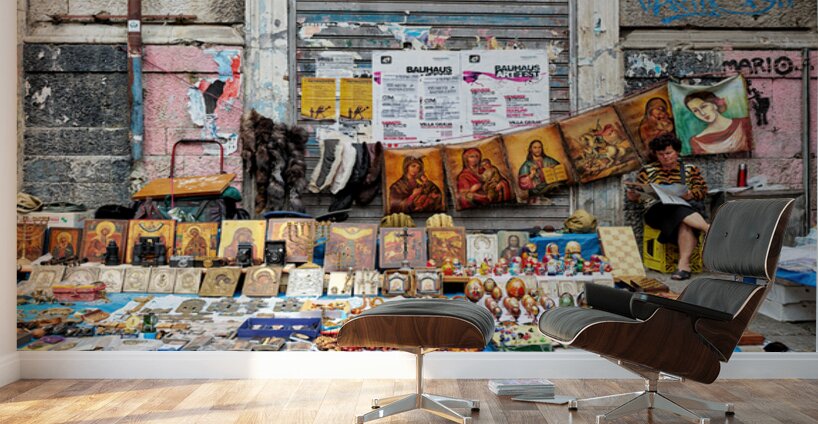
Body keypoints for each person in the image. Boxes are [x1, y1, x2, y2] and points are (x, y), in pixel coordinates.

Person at [626, 133, 710, 280]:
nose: (666, 157)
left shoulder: (690, 170)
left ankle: (683, 266)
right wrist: (635, 197)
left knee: (684, 221)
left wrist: (689, 195)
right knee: (674, 209)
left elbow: (702, 192)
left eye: (669, 153)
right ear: (655, 154)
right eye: (661, 154)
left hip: (684, 209)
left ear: (676, 151)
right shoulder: (648, 171)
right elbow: (641, 196)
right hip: (656, 212)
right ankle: (709, 229)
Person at [684, 90, 751, 155]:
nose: (702, 113)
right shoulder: (697, 141)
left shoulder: (742, 123)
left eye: (704, 106)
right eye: (695, 111)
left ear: (715, 105)